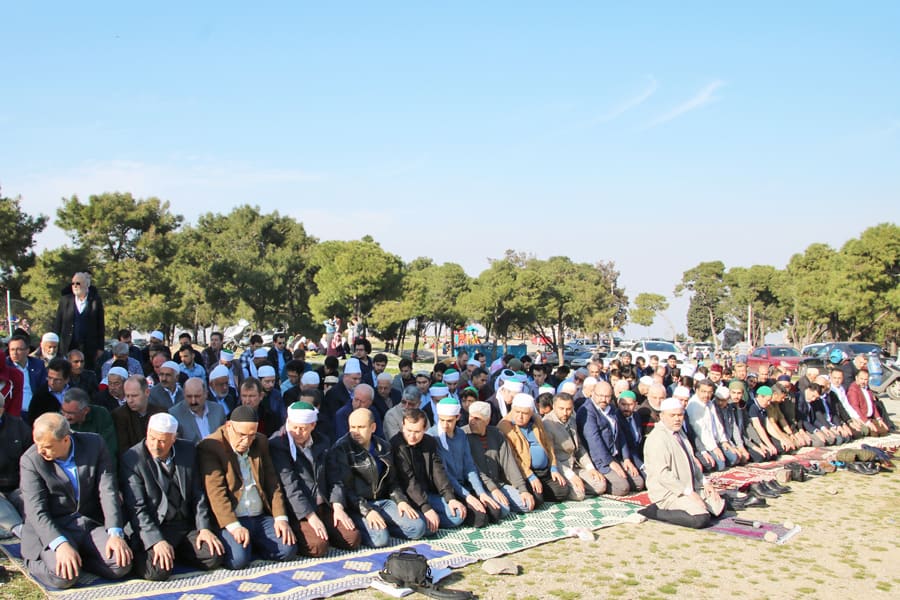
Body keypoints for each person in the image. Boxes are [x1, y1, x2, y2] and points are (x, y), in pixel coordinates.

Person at [19, 413, 132, 588]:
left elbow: (108, 490)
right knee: (65, 577)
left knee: (121, 564)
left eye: (47, 446)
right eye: (37, 444)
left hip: (88, 523)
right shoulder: (31, 460)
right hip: (55, 526)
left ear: (66, 439)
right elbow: (36, 510)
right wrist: (60, 544)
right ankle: (37, 561)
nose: (41, 451)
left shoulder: (95, 444)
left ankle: (80, 558)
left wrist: (115, 533)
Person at [119, 413, 224, 580]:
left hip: (183, 524)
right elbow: (137, 508)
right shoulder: (132, 458)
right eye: (152, 438)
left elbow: (198, 494)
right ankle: (160, 550)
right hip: (156, 525)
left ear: (174, 438)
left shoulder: (188, 451)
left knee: (213, 555)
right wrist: (156, 541)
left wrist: (204, 528)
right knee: (157, 571)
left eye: (162, 441)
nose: (155, 445)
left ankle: (177, 551)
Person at [197, 405, 298, 569]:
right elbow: (215, 493)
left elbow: (273, 483)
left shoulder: (260, 442)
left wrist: (280, 518)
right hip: (234, 517)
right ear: (229, 426)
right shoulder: (211, 446)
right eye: (242, 435)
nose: (246, 441)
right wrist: (234, 526)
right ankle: (247, 544)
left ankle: (254, 543)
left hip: (259, 515)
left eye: (251, 436)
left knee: (288, 549)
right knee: (239, 561)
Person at [269, 401, 361, 556]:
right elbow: (290, 485)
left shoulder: (322, 441)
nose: (298, 432)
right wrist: (310, 516)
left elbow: (334, 476)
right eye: (294, 427)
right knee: (318, 547)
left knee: (353, 539)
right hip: (299, 510)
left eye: (303, 429)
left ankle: (326, 529)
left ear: (312, 426)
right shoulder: (279, 444)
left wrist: (338, 507)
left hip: (323, 503)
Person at [327, 408, 426, 547]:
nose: (355, 432)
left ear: (373, 427)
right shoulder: (341, 449)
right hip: (357, 506)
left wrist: (400, 500)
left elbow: (392, 481)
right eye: (352, 427)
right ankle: (377, 529)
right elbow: (346, 489)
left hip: (383, 502)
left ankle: (383, 526)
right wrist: (367, 511)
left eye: (361, 427)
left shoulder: (384, 446)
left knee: (418, 528)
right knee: (380, 539)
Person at [643, 397, 726, 529]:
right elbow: (662, 475)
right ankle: (657, 512)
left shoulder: (679, 432)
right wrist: (688, 493)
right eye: (672, 415)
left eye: (680, 415)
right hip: (670, 493)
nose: (677, 419)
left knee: (718, 508)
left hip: (689, 487)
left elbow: (692, 462)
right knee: (701, 518)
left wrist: (705, 483)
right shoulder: (657, 438)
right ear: (662, 416)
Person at [393, 407, 469, 532]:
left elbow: (438, 471)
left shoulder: (429, 442)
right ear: (403, 426)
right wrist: (426, 507)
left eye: (417, 432)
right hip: (408, 498)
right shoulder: (396, 445)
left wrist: (450, 497)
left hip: (428, 493)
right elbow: (408, 480)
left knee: (456, 516)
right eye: (408, 430)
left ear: (425, 429)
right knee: (419, 528)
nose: (412, 436)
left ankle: (431, 521)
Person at [427, 399, 501, 525]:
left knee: (496, 512)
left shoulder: (461, 434)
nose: (445, 425)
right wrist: (467, 496)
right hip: (447, 489)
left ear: (458, 417)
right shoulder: (432, 437)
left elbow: (469, 466)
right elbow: (444, 474)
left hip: (464, 485)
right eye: (442, 420)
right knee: (480, 518)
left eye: (449, 421)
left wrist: (480, 492)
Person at [577, 381, 644, 496]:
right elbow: (594, 441)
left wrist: (626, 458)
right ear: (593, 393)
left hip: (615, 455)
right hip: (599, 459)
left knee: (639, 483)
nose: (604, 399)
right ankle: (598, 481)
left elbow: (620, 435)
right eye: (600, 396)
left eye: (607, 396)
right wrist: (611, 463)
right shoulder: (587, 411)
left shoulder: (611, 409)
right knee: (622, 488)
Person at [499, 393, 569, 503]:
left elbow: (547, 444)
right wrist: (530, 476)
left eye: (525, 413)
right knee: (537, 499)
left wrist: (553, 467)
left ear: (531, 413)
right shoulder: (505, 426)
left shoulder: (536, 420)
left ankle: (540, 489)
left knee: (563, 491)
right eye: (517, 412)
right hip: (525, 473)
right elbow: (513, 457)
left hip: (544, 472)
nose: (520, 416)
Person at [542, 392, 606, 500]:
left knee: (601, 484)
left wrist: (590, 468)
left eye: (568, 409)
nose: (565, 413)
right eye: (561, 409)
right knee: (579, 494)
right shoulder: (547, 424)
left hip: (575, 465)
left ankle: (580, 485)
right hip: (560, 468)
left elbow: (579, 447)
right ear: (554, 407)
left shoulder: (572, 420)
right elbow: (551, 456)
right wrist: (571, 476)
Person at [53, 272, 105, 370]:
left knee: (87, 371)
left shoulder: (95, 301)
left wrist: (100, 347)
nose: (75, 286)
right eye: (73, 283)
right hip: (68, 345)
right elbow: (58, 324)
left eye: (78, 283)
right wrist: (56, 344)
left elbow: (100, 325)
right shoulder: (65, 300)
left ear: (86, 285)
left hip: (88, 347)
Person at [112, 376, 167, 458]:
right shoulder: (119, 415)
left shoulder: (160, 413)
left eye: (134, 396)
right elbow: (123, 449)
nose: (130, 400)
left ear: (147, 392)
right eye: (127, 396)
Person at [0, 390, 30, 537]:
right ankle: (20, 530)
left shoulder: (18, 426)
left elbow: (32, 456)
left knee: (28, 501)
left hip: (16, 484)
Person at [61, 387, 118, 462]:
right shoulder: (59, 420)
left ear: (85, 410)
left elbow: (109, 448)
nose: (66, 416)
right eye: (63, 411)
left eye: (70, 413)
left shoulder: (101, 414)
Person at [169, 378, 227, 444]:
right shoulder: (175, 414)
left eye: (197, 396)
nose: (193, 401)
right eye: (189, 396)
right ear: (184, 395)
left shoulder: (218, 410)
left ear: (206, 394)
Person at [6, 334, 48, 421]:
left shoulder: (38, 365)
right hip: (13, 414)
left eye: (19, 349)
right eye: (12, 349)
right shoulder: (5, 366)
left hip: (35, 411)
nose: (14, 353)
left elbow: (43, 389)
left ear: (27, 351)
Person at [28, 357, 73, 423]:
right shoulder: (40, 396)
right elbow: (33, 420)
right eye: (49, 378)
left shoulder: (75, 392)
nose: (52, 382)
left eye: (57, 379)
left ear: (67, 380)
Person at [847, 369, 889, 436]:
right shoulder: (853, 389)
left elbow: (872, 405)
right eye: (861, 379)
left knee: (884, 430)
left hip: (869, 417)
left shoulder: (867, 389)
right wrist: (866, 422)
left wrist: (879, 419)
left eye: (865, 379)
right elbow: (855, 407)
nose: (863, 381)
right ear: (856, 378)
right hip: (860, 418)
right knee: (874, 432)